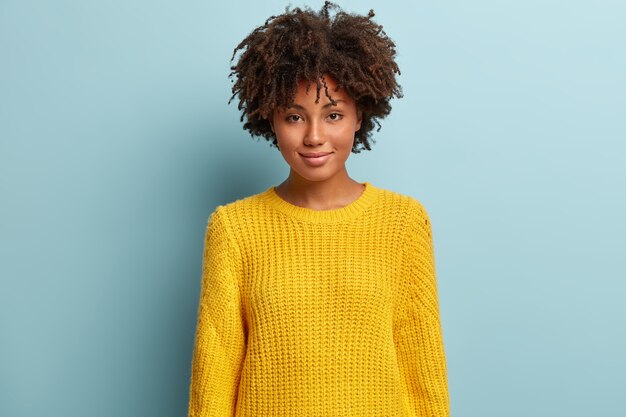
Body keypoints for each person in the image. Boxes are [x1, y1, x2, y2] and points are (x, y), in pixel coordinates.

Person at [187, 2, 450, 416]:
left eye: (333, 115)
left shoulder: (403, 223)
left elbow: (423, 372)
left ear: (359, 116)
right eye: (294, 116)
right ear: (269, 117)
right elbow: (214, 378)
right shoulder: (234, 228)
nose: (314, 136)